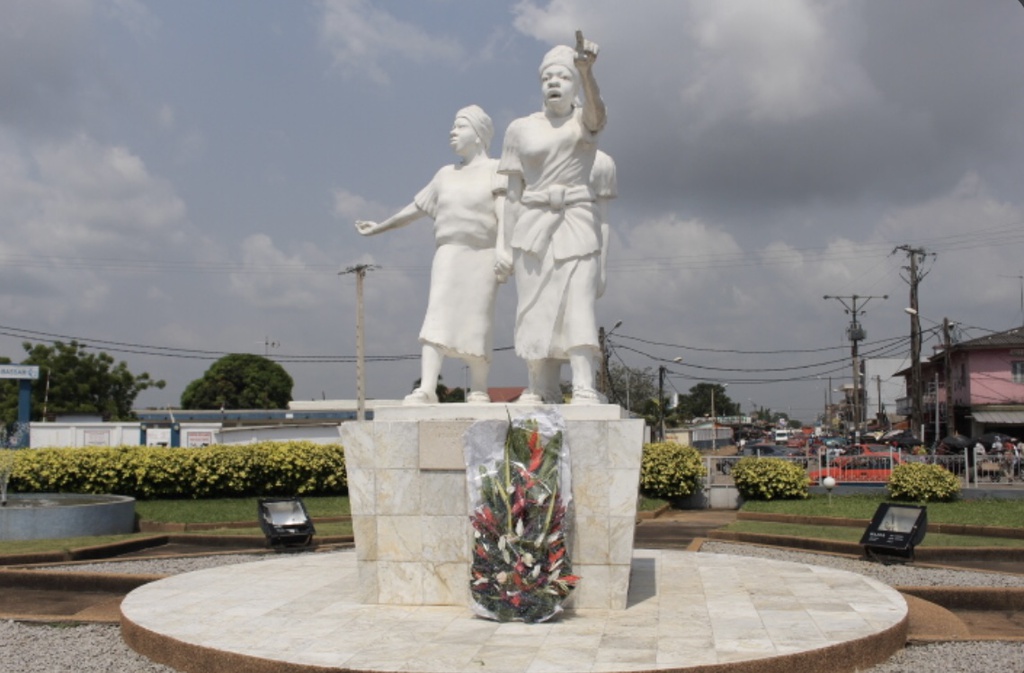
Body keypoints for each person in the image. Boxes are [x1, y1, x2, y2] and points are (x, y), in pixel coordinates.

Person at [355, 105, 506, 404]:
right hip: (449, 253)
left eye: (460, 126)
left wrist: (504, 249)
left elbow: (505, 214)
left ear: (478, 135)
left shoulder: (497, 170)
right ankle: (427, 387)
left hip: (483, 256)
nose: (452, 132)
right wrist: (379, 228)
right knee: (437, 315)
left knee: (479, 319)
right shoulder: (444, 175)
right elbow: (416, 209)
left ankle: (478, 387)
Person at [496, 31, 608, 404]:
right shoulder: (520, 128)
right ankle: (540, 386)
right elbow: (512, 194)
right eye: (547, 78)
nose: (553, 83)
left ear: (575, 85)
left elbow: (597, 116)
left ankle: (583, 385)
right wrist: (504, 246)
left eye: (562, 77)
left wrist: (588, 73)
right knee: (535, 305)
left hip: (576, 217)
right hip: (532, 221)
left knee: (578, 303)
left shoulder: (583, 121)